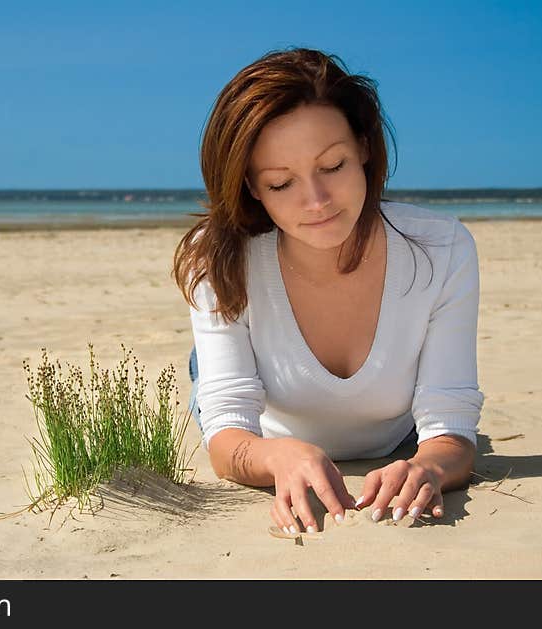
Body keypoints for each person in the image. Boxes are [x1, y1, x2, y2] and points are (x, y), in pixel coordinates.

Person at [172, 48, 483, 536]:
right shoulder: (217, 257)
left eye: (333, 166)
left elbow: (452, 428)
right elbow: (228, 438)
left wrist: (430, 468)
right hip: (270, 410)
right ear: (251, 186)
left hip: (389, 427)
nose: (315, 202)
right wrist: (278, 455)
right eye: (280, 183)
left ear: (363, 146)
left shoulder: (441, 249)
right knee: (214, 378)